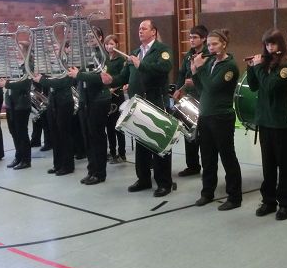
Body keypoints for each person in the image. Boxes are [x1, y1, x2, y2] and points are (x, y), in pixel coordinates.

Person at [103, 19, 173, 197]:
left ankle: (164, 182)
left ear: (153, 32)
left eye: (144, 28)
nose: (140, 31)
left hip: (156, 102)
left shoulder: (162, 50)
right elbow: (124, 77)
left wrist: (141, 64)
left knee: (159, 143)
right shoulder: (135, 52)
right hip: (138, 104)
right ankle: (143, 179)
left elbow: (164, 68)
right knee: (141, 143)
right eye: (139, 28)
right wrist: (111, 80)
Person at [190, 28, 242, 210]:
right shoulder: (211, 62)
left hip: (221, 117)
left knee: (227, 157)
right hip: (206, 115)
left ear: (224, 44)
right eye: (209, 44)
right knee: (207, 157)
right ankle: (207, 192)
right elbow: (202, 89)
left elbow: (212, 87)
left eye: (214, 44)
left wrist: (200, 68)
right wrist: (195, 72)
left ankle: (234, 197)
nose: (211, 48)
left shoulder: (230, 66)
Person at [247, 29, 287, 220]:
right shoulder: (265, 63)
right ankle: (268, 201)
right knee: (268, 165)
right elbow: (254, 86)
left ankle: (286, 204)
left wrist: (259, 68)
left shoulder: (286, 65)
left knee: (284, 166)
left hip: (280, 123)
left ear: (280, 45)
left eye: (273, 44)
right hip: (265, 121)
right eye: (267, 44)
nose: (269, 48)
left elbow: (270, 86)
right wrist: (251, 68)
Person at [174, 25, 208, 177]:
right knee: (189, 132)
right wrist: (178, 89)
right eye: (190, 37)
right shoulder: (188, 55)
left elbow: (208, 77)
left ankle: (207, 167)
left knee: (204, 135)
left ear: (204, 38)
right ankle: (192, 166)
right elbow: (182, 74)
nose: (191, 40)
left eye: (195, 37)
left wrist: (195, 82)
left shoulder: (208, 55)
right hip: (189, 98)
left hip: (204, 98)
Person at [69, 63, 112, 185]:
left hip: (98, 100)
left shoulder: (100, 57)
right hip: (84, 100)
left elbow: (102, 78)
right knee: (87, 138)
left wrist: (79, 75)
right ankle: (92, 170)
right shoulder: (81, 59)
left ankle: (99, 173)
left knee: (97, 137)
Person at [3, 56, 32, 170]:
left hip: (21, 104)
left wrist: (7, 84)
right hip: (11, 103)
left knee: (21, 132)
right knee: (13, 131)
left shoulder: (28, 66)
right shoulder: (12, 65)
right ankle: (18, 157)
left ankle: (26, 160)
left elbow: (25, 83)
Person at [103, 35, 127, 163]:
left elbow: (123, 78)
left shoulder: (121, 60)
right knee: (109, 127)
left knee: (118, 126)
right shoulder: (105, 59)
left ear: (116, 45)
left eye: (111, 44)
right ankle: (112, 153)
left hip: (117, 97)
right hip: (107, 97)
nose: (109, 46)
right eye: (107, 44)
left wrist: (113, 88)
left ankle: (122, 154)